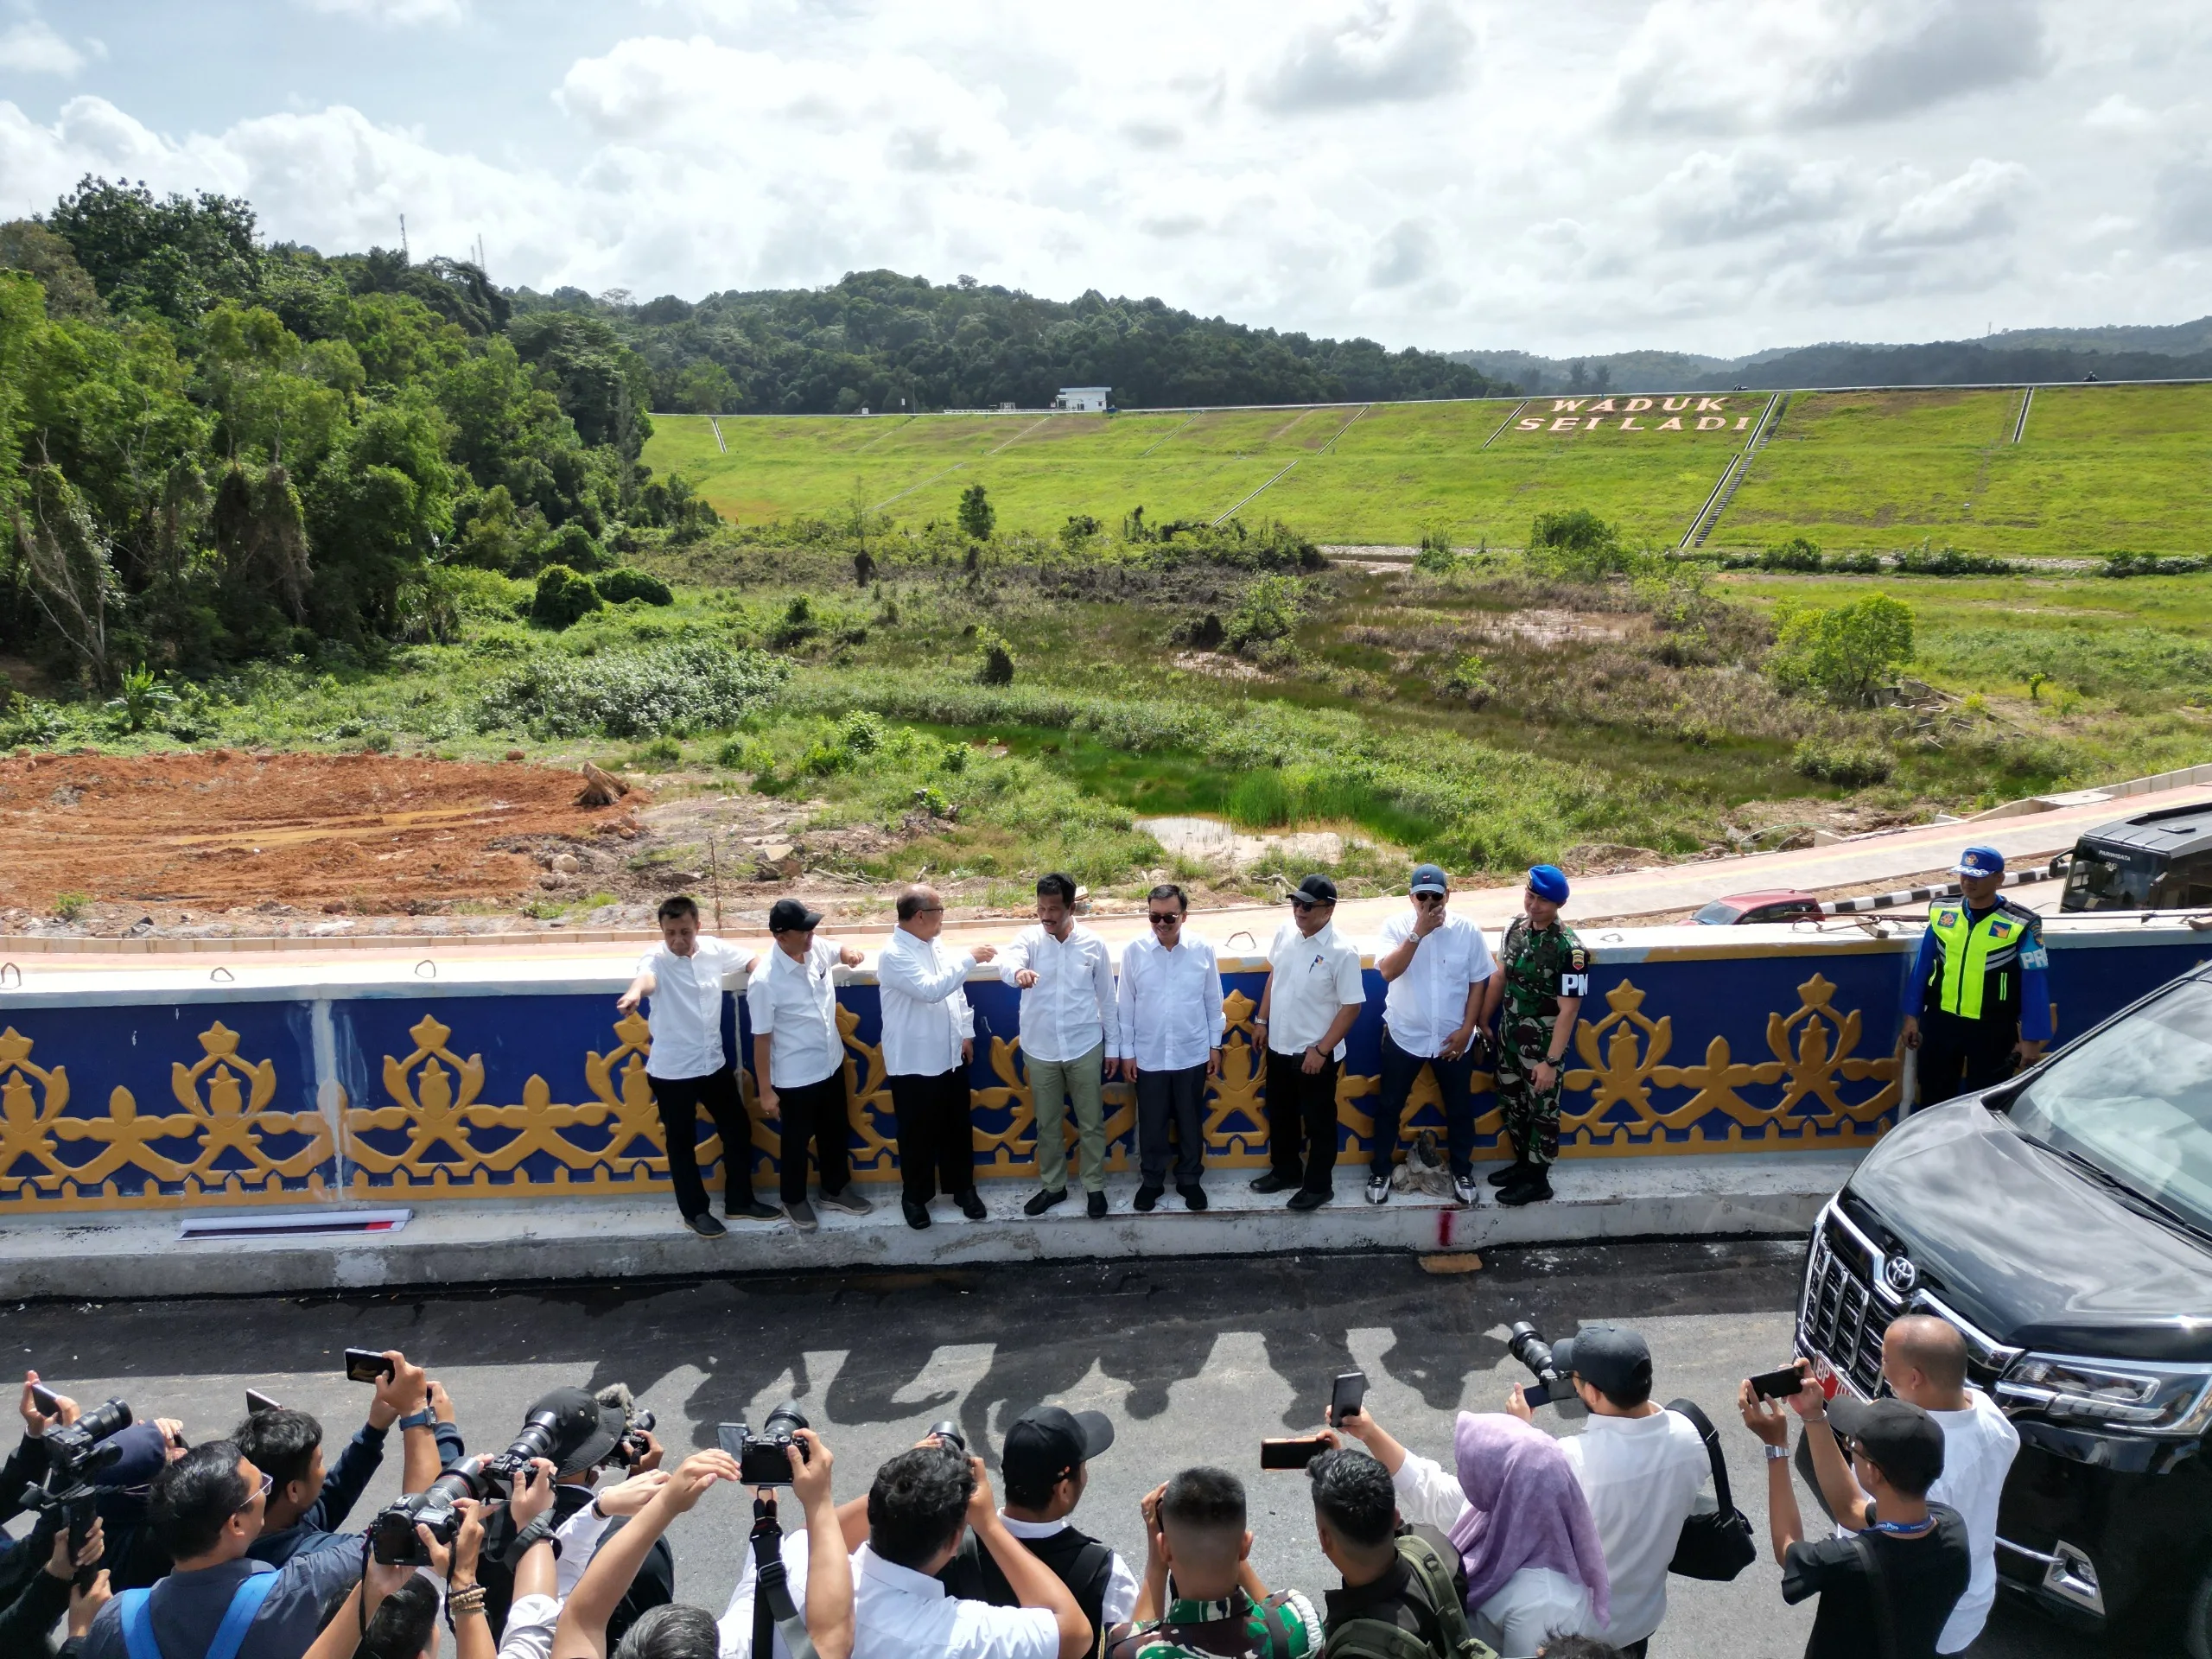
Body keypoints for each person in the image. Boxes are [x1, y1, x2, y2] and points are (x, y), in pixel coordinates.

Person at [1790, 1318, 2018, 1655]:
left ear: (1914, 1378)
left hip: (1919, 1620)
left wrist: (1806, 1425)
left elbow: (1852, 1511)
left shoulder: (1916, 1471)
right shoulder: (1989, 1414)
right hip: (1971, 1601)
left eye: (1884, 1359)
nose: (1880, 1365)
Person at [1330, 1406, 1605, 1659]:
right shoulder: (1494, 1511)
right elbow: (1429, 1487)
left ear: (1505, 1484)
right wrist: (1369, 1433)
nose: (1465, 1478)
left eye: (1475, 1473)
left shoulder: (1547, 1606)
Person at [1503, 1327, 1706, 1658]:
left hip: (1583, 1636)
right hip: (1643, 1619)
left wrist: (1521, 1434)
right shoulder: (1693, 1438)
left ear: (1594, 1394)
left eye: (1577, 1379)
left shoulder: (1570, 1459)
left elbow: (1517, 1511)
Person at [78, 1440, 364, 1659]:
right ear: (236, 1523)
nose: (267, 1491)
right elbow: (390, 1543)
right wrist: (409, 1419)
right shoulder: (295, 1589)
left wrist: (78, 1634)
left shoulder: (115, 1619)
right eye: (262, 1486)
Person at [1738, 1385, 1967, 1659]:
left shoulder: (1844, 1563)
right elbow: (1850, 1509)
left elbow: (1788, 1547)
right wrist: (1813, 1416)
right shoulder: (1952, 1527)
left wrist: (1776, 1447)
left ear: (1872, 1471)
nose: (1849, 1448)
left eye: (1852, 1445)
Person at [619, 895, 780, 1238]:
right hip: (673, 1072)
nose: (678, 940)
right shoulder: (657, 959)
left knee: (737, 1129)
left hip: (712, 1064)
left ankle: (739, 1201)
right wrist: (634, 995)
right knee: (681, 1144)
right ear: (662, 931)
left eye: (685, 932)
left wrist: (759, 977)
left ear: (698, 927)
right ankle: (695, 1212)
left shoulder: (713, 950)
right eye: (670, 933)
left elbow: (754, 959)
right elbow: (645, 979)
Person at [846, 1441, 1090, 1659]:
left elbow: (818, 1531)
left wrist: (905, 1482)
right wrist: (989, 1526)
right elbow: (1074, 1635)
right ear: (955, 1541)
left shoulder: (812, 1577)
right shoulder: (956, 1634)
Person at [941, 1405, 1140, 1645]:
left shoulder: (947, 1549)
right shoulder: (1106, 1572)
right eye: (1083, 1468)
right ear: (1063, 1490)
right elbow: (1133, 1646)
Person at [232, 1348, 442, 1565]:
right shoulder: (316, 1563)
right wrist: (422, 1416)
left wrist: (374, 1431)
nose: (324, 1471)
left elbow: (328, 1502)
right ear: (293, 1490)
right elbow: (417, 1538)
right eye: (319, 1463)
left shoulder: (254, 1526)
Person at [1371, 863, 1499, 1208]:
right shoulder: (1395, 927)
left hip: (1453, 1039)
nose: (1429, 904)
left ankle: (1461, 1170)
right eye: (1422, 897)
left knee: (1459, 1109)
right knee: (1389, 1107)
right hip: (1404, 1037)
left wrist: (1467, 1029)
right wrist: (1418, 933)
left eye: (1436, 897)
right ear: (1411, 897)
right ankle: (1380, 1171)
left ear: (1448, 895)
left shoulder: (1467, 930)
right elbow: (1387, 971)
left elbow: (1478, 982)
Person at [746, 897, 872, 1233]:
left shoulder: (814, 948)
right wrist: (766, 1092)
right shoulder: (764, 981)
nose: (811, 934)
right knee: (796, 1142)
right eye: (803, 930)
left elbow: (838, 949)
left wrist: (849, 954)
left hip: (830, 1063)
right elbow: (761, 1039)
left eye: (811, 927)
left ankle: (834, 1189)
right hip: (794, 1076)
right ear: (780, 936)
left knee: (834, 1131)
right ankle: (793, 1198)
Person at [878, 885, 998, 1229]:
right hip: (915, 1061)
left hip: (949, 1055)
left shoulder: (935, 945)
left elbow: (954, 990)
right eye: (940, 910)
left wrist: (966, 1031)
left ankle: (963, 1189)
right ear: (920, 916)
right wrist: (970, 958)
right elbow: (931, 990)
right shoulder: (894, 954)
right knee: (916, 1133)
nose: (943, 916)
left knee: (957, 1127)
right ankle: (915, 1197)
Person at [1001, 873, 1120, 1220]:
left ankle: (1094, 1187)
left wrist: (1112, 1048)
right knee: (1048, 1123)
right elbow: (1007, 962)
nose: (1046, 915)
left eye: (1054, 908)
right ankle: (1054, 1187)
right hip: (1040, 1049)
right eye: (1041, 908)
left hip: (1085, 1045)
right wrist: (1018, 973)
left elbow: (1107, 1000)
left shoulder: (1093, 945)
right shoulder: (1029, 940)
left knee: (1091, 1122)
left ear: (1071, 907)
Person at [1109, 1466, 1320, 1659]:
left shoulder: (1129, 1650)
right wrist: (1232, 1549)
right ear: (1246, 1546)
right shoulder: (1298, 1622)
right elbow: (1272, 1611)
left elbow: (1137, 1635)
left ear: (1164, 1548)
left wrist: (1158, 1561)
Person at [1305, 1446, 1494, 1659]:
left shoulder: (1356, 1648)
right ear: (1395, 1516)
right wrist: (1348, 1471)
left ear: (1325, 1539)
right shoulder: (1435, 1546)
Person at [1900, 845, 2053, 1105]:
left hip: (1993, 1029)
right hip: (1940, 1024)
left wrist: (2031, 1039)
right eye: (1964, 874)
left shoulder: (2020, 923)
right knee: (1933, 1098)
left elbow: (2034, 984)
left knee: (1988, 1103)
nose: (1968, 881)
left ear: (1999, 879)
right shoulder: (1942, 912)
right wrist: (1911, 1016)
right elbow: (1923, 966)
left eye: (1978, 875)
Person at [1252, 875, 1367, 1211]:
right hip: (1279, 1046)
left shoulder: (1342, 951)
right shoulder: (1285, 933)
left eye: (1307, 905)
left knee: (1319, 1123)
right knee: (1282, 1114)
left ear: (1328, 910)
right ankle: (1286, 1171)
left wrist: (1321, 1050)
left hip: (1314, 1054)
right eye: (1295, 903)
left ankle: (1318, 1186)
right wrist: (1262, 1020)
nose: (1298, 910)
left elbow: (1352, 1007)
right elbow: (1276, 976)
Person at [1114, 886, 1224, 1213]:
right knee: (1152, 1122)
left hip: (1191, 1051)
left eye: (1169, 917)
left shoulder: (1202, 949)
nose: (1161, 923)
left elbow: (1212, 1000)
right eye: (1154, 916)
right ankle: (1152, 1181)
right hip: (1149, 1054)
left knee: (1190, 1120)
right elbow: (1126, 1005)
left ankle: (1190, 1179)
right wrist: (1127, 1052)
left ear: (1184, 916)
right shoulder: (1134, 951)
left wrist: (1214, 1046)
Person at [710, 1427, 856, 1659]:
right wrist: (818, 1500)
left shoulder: (723, 1646)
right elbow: (831, 1645)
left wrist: (767, 1517)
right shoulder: (725, 1645)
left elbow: (749, 1606)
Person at [1489, 867, 1587, 1209]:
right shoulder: (1515, 928)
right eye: (1531, 896)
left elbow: (1569, 1011)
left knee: (1542, 1111)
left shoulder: (1570, 950)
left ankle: (1538, 1179)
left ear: (1558, 903)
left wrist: (1550, 1063)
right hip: (1509, 1036)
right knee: (1513, 1103)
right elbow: (1500, 976)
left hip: (1543, 1046)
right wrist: (1485, 1023)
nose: (1534, 905)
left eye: (1543, 900)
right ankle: (1523, 1165)